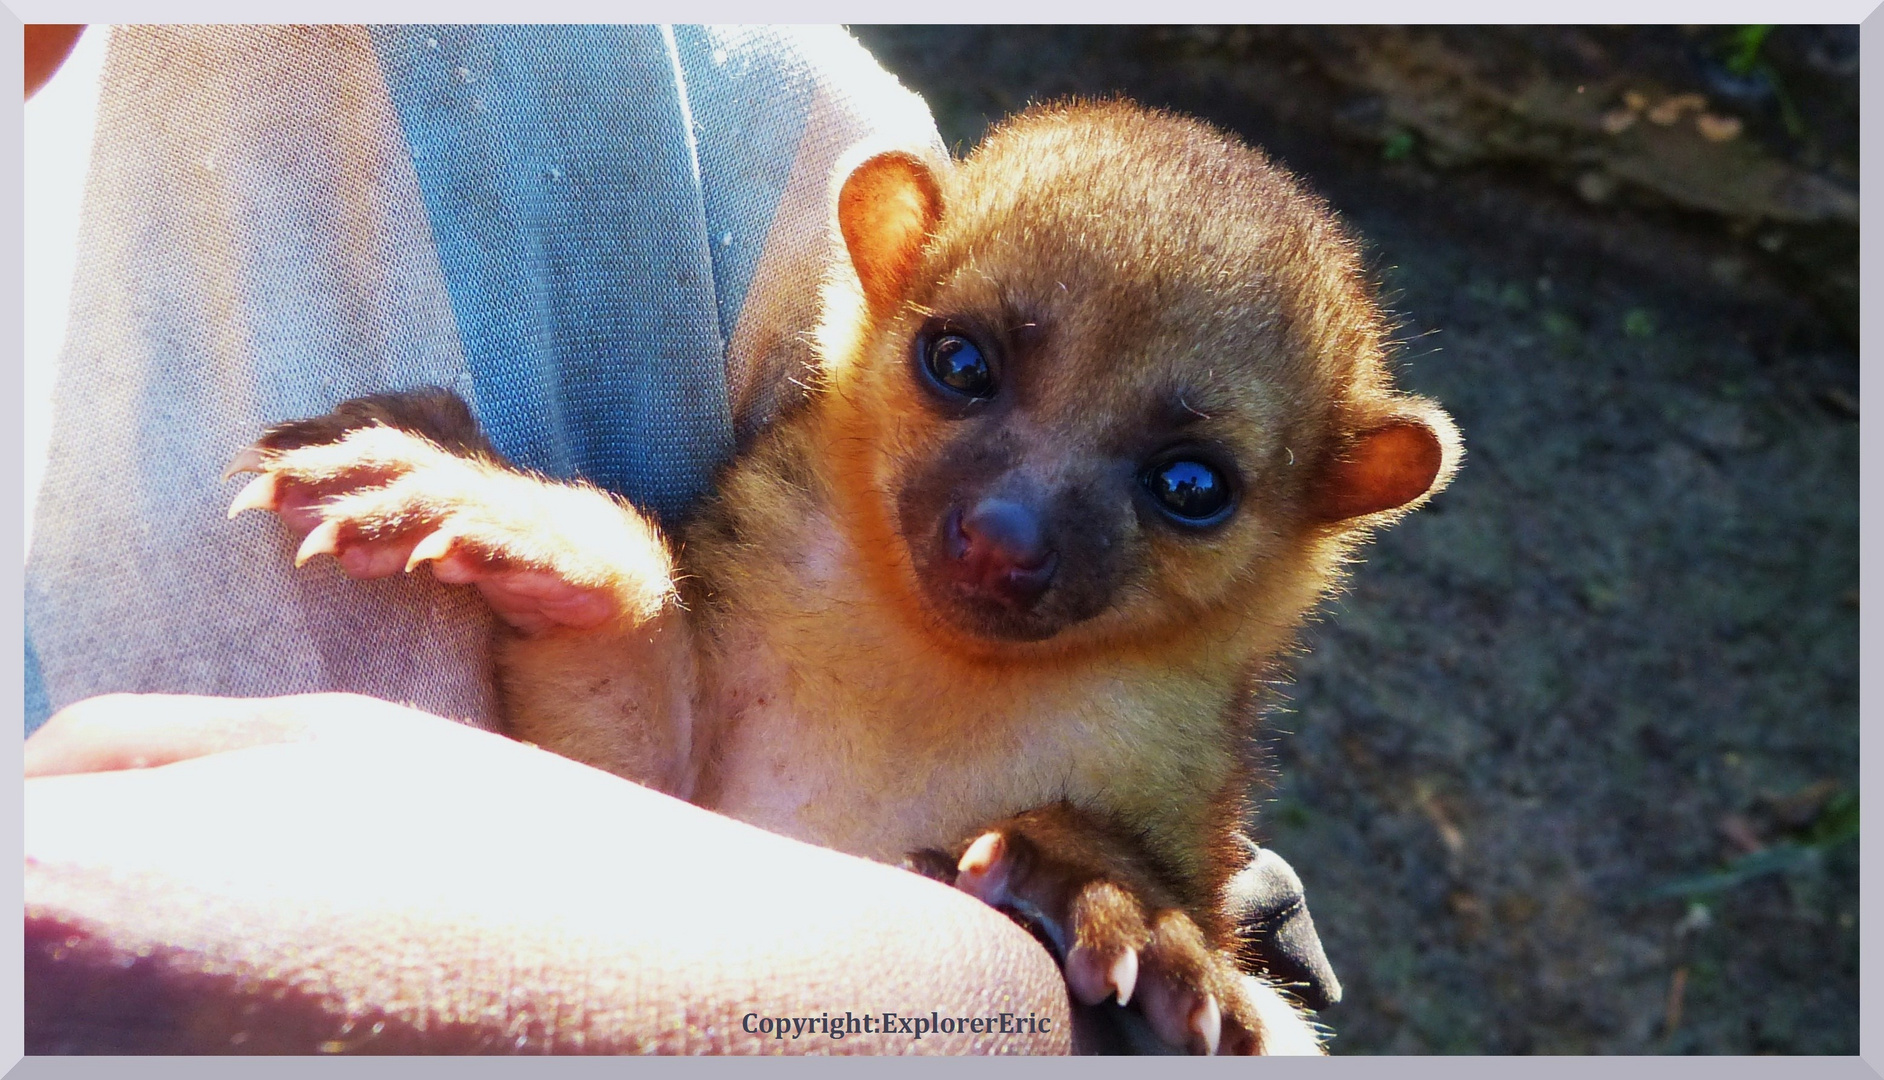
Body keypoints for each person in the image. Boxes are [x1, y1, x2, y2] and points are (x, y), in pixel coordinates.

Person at [22, 24, 1333, 1054]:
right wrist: (603, 587)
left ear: (1322, 517)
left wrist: (1082, 959)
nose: (1009, 523)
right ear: (883, 271)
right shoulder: (811, 500)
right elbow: (654, 756)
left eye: (1185, 485)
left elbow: (1204, 991)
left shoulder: (707, 114)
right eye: (965, 366)